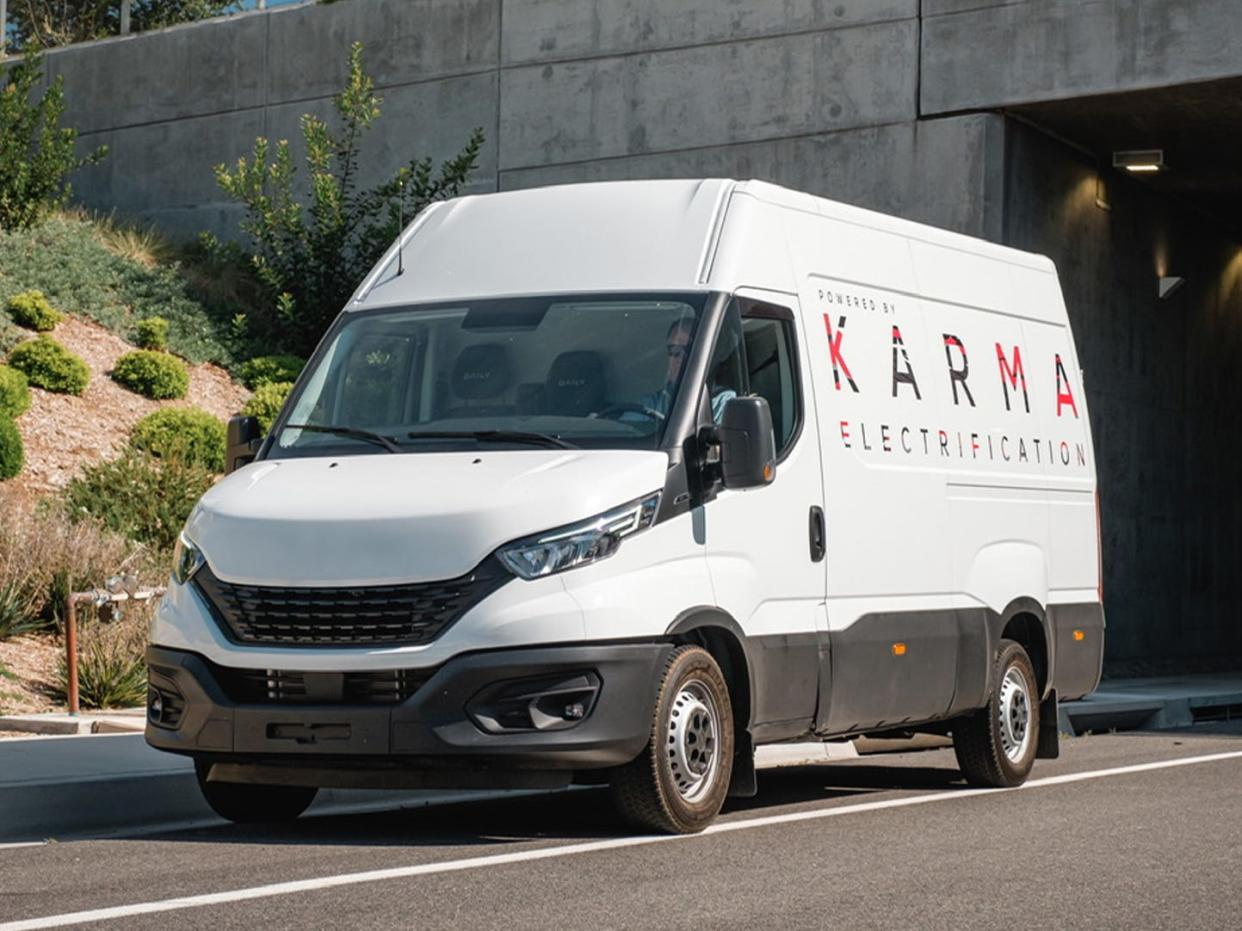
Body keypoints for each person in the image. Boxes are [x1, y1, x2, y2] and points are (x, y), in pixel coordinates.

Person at [627, 318, 736, 422]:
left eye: (689, 350)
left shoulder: (724, 403)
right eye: (674, 350)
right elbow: (628, 433)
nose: (681, 358)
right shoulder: (649, 404)